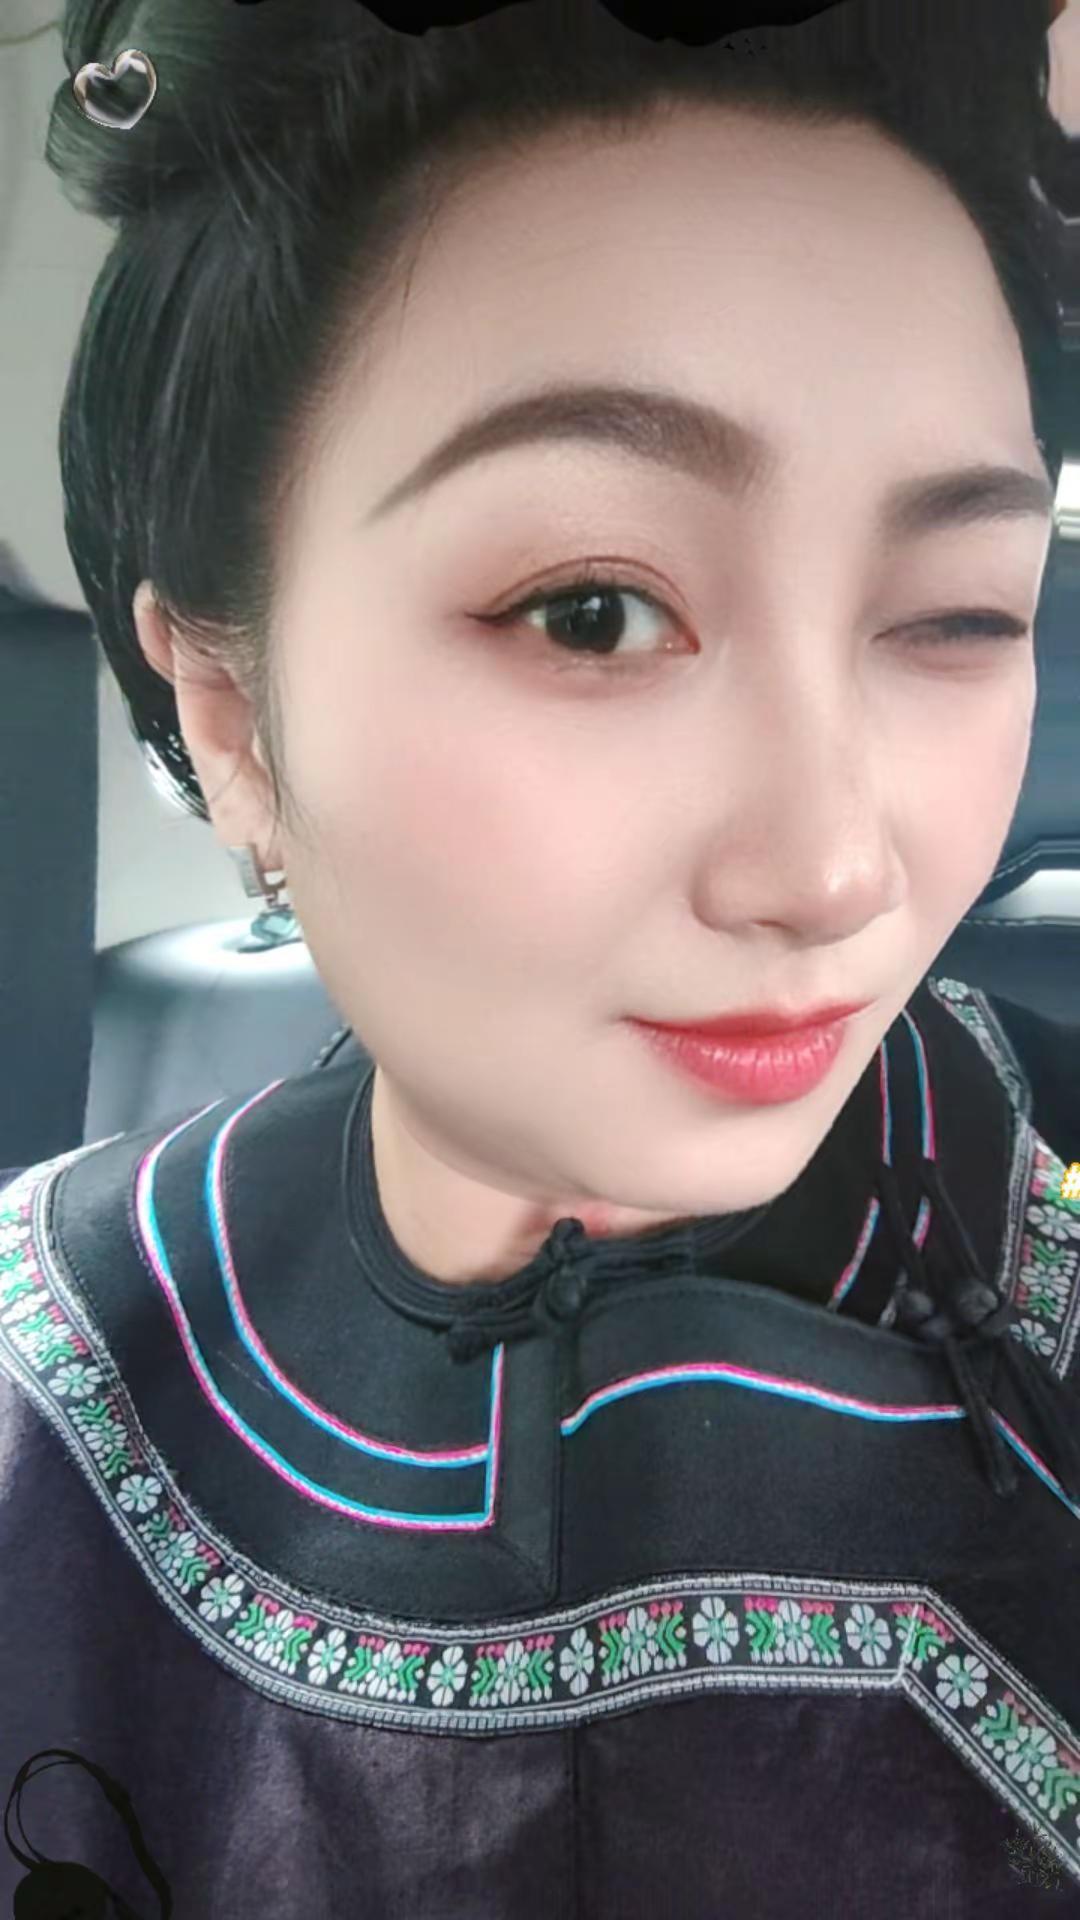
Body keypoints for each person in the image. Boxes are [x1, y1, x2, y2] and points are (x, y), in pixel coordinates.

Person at [1, 0, 1079, 1911]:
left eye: (957, 617)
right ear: (231, 711)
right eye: (593, 612)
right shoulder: (44, 1373)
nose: (835, 870)